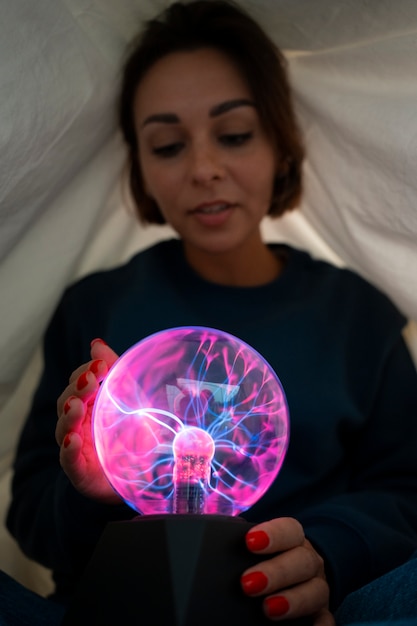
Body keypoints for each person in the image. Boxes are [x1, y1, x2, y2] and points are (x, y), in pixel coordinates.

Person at [5, 1, 417, 625]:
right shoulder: (97, 306)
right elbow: (32, 515)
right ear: (140, 167)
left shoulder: (359, 316)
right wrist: (92, 492)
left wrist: (327, 555)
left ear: (281, 143)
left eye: (234, 134)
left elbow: (409, 493)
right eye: (168, 145)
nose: (204, 169)